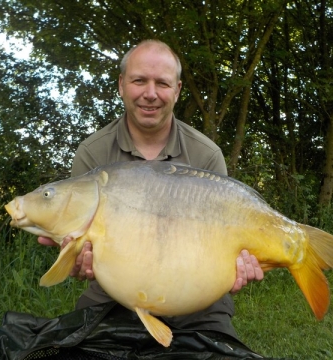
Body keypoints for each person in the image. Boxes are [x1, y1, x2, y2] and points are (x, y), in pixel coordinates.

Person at [39, 39, 264, 347]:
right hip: (111, 295)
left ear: (178, 90)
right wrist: (76, 259)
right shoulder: (93, 153)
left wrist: (236, 267)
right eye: (139, 80)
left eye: (162, 83)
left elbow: (224, 239)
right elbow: (80, 245)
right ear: (121, 84)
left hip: (195, 298)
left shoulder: (206, 155)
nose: (150, 93)